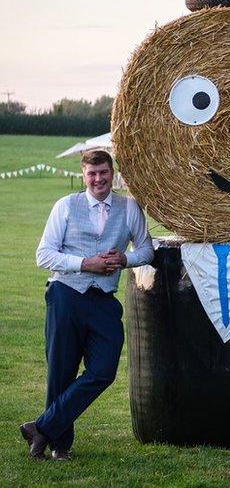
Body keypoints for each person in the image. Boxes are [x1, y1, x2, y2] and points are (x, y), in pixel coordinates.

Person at [22, 150, 153, 460]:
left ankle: (40, 427)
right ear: (84, 176)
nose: (98, 179)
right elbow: (44, 255)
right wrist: (85, 263)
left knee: (104, 369)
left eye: (103, 173)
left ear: (112, 173)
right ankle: (58, 445)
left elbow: (146, 249)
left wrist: (125, 259)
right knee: (61, 370)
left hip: (104, 300)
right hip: (65, 294)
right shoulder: (66, 206)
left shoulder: (129, 207)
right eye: (92, 174)